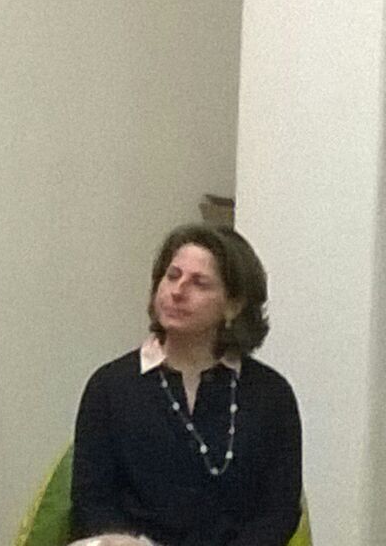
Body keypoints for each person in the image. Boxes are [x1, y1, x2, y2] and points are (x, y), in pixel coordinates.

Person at [71, 224, 302, 546]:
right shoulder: (110, 387)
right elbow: (92, 503)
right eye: (172, 276)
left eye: (199, 283)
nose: (178, 291)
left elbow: (278, 512)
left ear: (233, 305)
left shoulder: (271, 395)